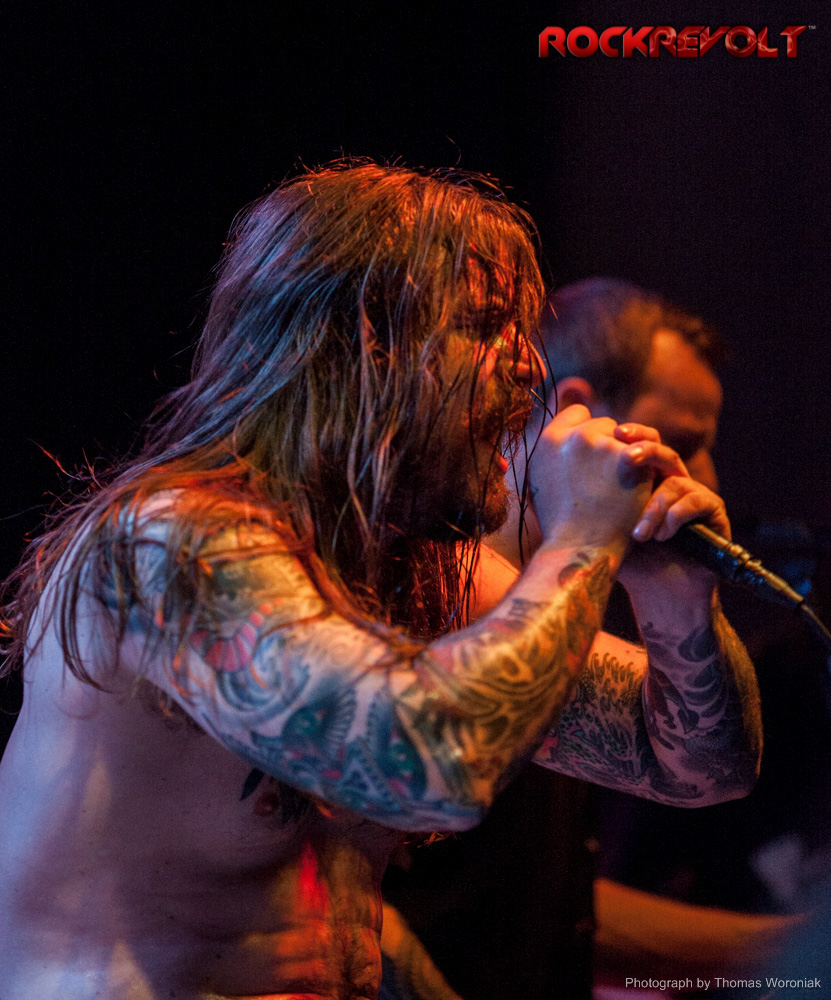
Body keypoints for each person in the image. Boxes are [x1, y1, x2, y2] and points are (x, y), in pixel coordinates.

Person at [0, 166, 761, 1000]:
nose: (525, 367)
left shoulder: (419, 579)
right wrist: (582, 539)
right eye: (483, 327)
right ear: (360, 348)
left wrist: (673, 597)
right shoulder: (172, 546)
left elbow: (699, 768)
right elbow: (433, 767)